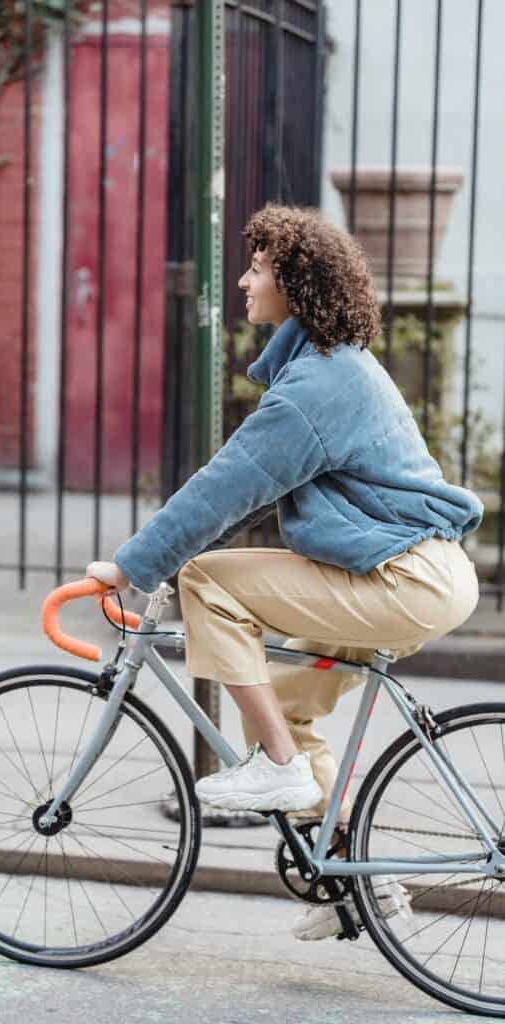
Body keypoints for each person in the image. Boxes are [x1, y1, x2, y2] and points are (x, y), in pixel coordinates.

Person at [86, 202, 483, 940]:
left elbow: (225, 486)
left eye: (257, 269)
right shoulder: (326, 368)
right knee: (288, 711)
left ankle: (276, 769)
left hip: (403, 578)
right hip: (416, 572)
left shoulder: (313, 390)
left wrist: (132, 566)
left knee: (206, 579)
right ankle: (356, 888)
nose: (242, 280)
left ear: (294, 286)